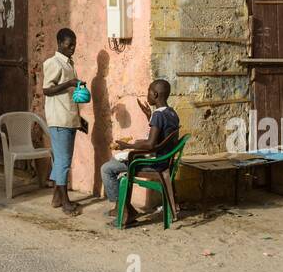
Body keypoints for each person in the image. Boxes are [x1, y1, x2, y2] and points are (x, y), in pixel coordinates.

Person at [101, 79, 180, 226]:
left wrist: (127, 146)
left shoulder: (158, 115)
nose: (147, 95)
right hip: (164, 160)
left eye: (149, 91)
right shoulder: (171, 113)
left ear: (155, 94)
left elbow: (150, 144)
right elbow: (159, 138)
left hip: (155, 163)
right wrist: (148, 116)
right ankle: (122, 207)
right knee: (116, 165)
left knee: (107, 169)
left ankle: (123, 211)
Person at [41, 27, 83, 215]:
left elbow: (68, 95)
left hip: (69, 117)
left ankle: (57, 197)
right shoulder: (53, 63)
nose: (72, 48)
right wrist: (69, 83)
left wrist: (79, 119)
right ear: (59, 44)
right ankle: (65, 201)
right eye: (69, 45)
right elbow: (47, 90)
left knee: (62, 159)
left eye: (74, 45)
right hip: (59, 118)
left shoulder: (68, 63)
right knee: (64, 161)